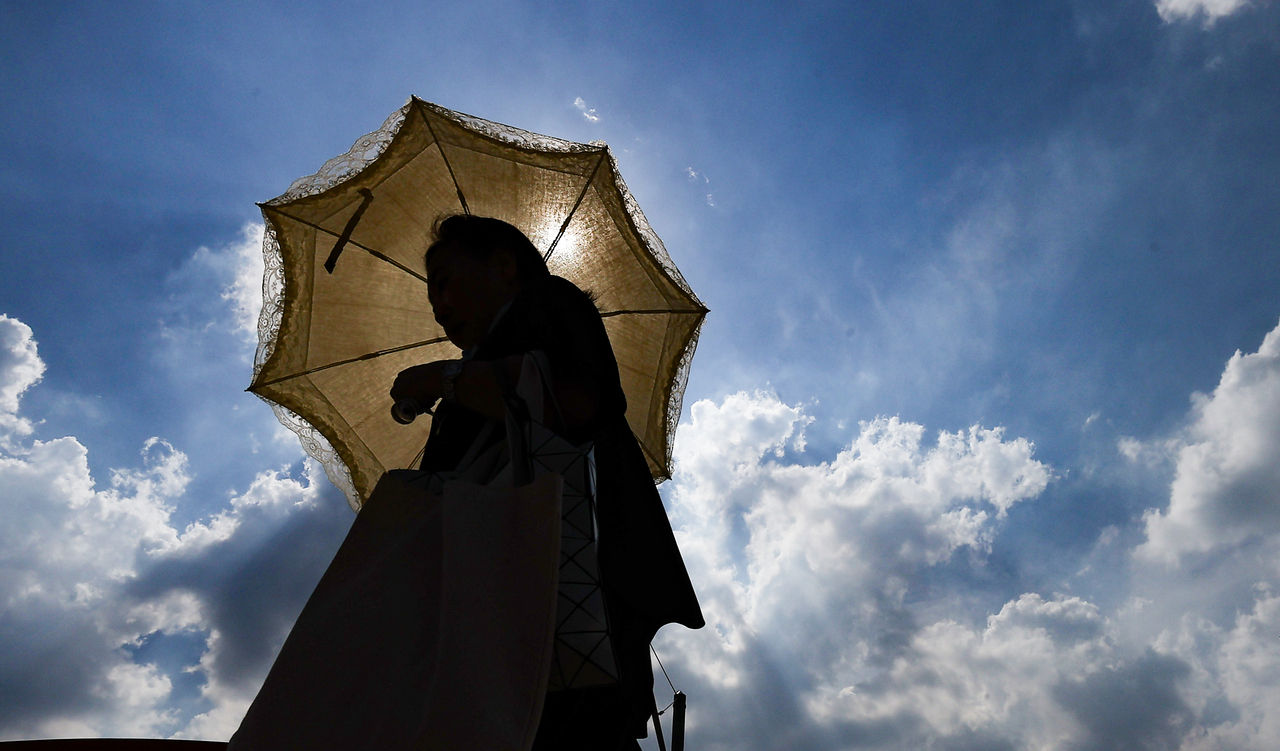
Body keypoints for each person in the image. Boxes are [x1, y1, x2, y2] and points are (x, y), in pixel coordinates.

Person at [390, 215, 704, 750]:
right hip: (515, 590)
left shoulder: (549, 303)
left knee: (577, 725)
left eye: (443, 281)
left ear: (504, 265)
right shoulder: (478, 363)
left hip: (571, 577)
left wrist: (445, 379)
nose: (436, 305)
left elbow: (583, 401)